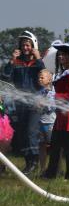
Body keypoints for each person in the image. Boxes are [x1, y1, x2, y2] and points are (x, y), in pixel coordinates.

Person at [2, 31, 45, 175]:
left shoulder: (37, 62)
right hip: (20, 104)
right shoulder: (17, 62)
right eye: (23, 45)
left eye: (28, 45)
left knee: (31, 132)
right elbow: (5, 77)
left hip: (35, 104)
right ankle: (28, 163)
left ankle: (34, 162)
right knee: (22, 134)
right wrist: (11, 61)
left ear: (33, 45)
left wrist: (38, 58)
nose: (25, 47)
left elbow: (44, 77)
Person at [43, 43, 69, 180]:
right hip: (63, 114)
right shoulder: (64, 72)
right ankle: (51, 174)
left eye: (64, 54)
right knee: (55, 145)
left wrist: (54, 96)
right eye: (59, 54)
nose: (61, 56)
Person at [37, 69, 56, 173]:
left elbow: (53, 107)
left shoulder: (53, 93)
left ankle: (55, 168)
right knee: (41, 146)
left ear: (49, 80)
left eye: (42, 77)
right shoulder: (39, 93)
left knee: (53, 146)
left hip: (50, 123)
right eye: (39, 77)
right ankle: (42, 169)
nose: (39, 79)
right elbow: (37, 107)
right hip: (40, 123)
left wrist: (43, 104)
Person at [0, 95, 14, 175]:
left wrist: (1, 102)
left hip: (2, 122)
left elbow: (3, 109)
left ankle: (2, 168)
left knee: (4, 146)